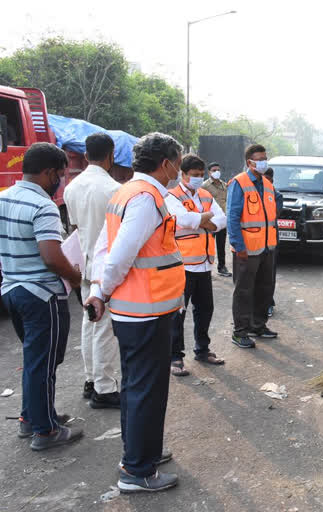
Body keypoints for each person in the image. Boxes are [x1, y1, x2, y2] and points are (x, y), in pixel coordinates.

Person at [85, 132, 185, 493]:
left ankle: (141, 453)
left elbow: (102, 246)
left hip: (137, 310)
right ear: (165, 164)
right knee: (146, 389)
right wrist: (102, 289)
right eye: (177, 161)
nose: (177, 168)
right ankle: (138, 471)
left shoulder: (125, 192)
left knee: (137, 387)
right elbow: (120, 254)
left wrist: (99, 290)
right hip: (145, 311)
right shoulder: (146, 198)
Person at [0, 142, 83, 450]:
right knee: (44, 362)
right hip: (41, 294)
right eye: (60, 174)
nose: (60, 181)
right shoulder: (43, 206)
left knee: (35, 360)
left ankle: (31, 417)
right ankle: (45, 431)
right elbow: (51, 256)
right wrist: (75, 277)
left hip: (11, 289)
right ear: (49, 173)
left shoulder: (4, 198)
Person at [64, 132, 122, 409]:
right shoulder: (113, 190)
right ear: (111, 156)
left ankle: (91, 380)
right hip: (105, 268)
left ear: (86, 156)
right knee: (104, 329)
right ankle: (105, 387)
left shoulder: (72, 188)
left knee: (90, 324)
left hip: (85, 266)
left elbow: (76, 229)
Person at [166, 155, 227, 377]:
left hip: (203, 263)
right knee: (178, 313)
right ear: (183, 175)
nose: (198, 179)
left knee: (205, 310)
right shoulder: (171, 197)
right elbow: (182, 219)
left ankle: (202, 349)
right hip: (182, 263)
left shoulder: (206, 195)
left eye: (201, 175)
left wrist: (201, 220)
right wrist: (204, 220)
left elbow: (221, 221)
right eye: (194, 175)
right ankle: (175, 357)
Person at [227, 144, 278, 348]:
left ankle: (258, 325)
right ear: (250, 162)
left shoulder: (267, 183)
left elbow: (275, 207)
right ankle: (240, 332)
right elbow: (232, 216)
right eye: (260, 158)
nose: (264, 161)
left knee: (265, 288)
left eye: (265, 157)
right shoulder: (239, 183)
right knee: (244, 291)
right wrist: (238, 245)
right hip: (246, 249)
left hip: (267, 247)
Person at [202, 161, 232, 277]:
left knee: (221, 245)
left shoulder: (224, 185)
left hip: (222, 220)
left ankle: (222, 267)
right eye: (214, 170)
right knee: (207, 244)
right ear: (209, 172)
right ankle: (205, 267)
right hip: (210, 221)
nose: (216, 172)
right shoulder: (204, 186)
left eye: (218, 170)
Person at [264, 167, 283, 318]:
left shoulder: (276, 195)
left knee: (269, 275)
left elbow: (274, 214)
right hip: (254, 241)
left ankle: (268, 303)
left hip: (270, 240)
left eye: (267, 180)